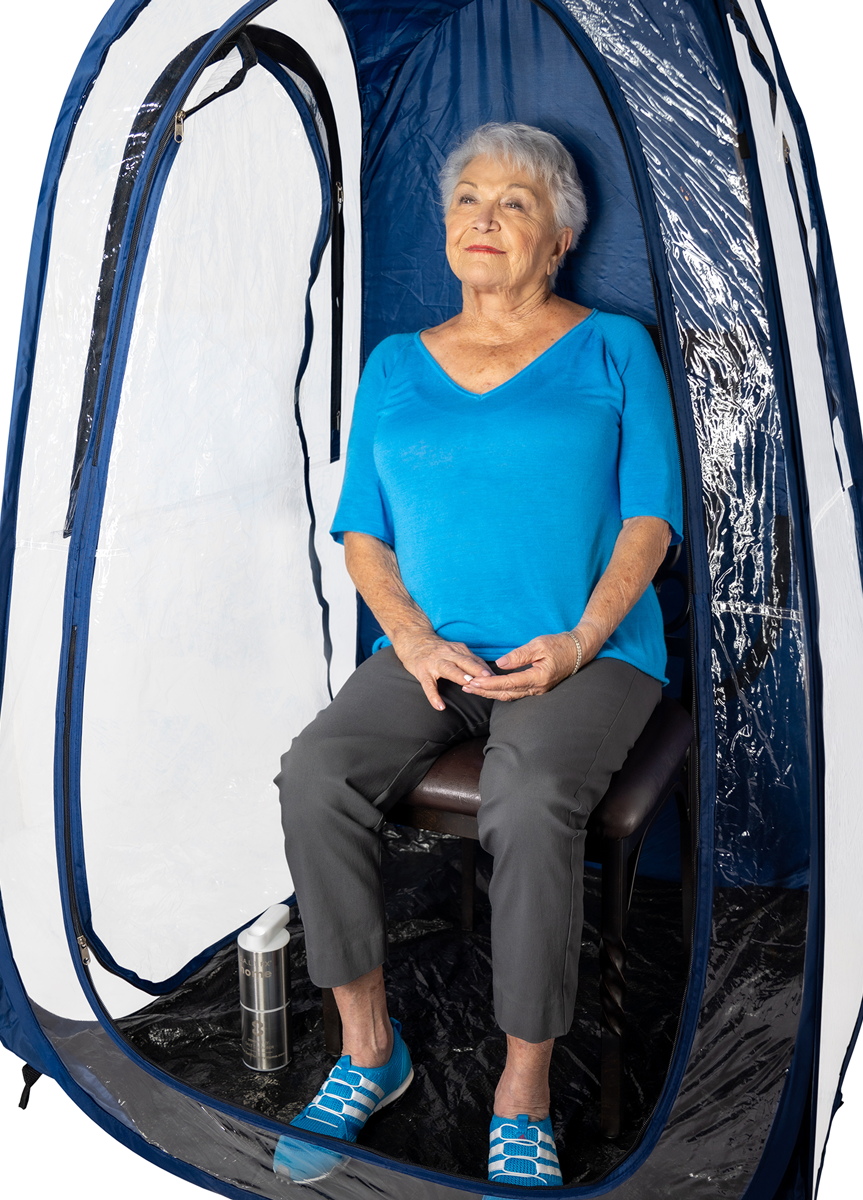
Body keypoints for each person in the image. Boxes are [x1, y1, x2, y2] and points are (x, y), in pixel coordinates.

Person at [272, 122, 683, 1188]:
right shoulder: (394, 364)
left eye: (515, 202)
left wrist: (581, 640)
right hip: (437, 654)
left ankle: (522, 1094)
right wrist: (413, 640)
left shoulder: (613, 346)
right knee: (315, 773)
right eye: (468, 200)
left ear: (561, 239)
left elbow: (651, 520)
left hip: (586, 652)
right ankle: (371, 1050)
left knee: (531, 793)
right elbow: (363, 534)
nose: (485, 218)